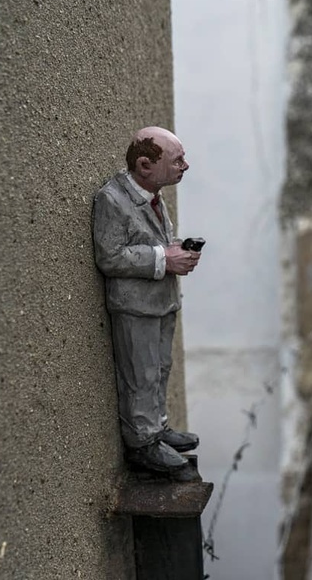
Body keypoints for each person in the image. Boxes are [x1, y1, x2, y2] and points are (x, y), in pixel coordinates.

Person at [93, 126, 202, 480]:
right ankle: (142, 443)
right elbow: (110, 257)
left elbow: (153, 240)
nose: (185, 165)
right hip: (136, 307)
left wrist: (177, 248)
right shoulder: (112, 200)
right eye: (177, 160)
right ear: (144, 165)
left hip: (160, 302)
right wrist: (164, 259)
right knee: (140, 375)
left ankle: (157, 428)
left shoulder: (154, 194)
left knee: (160, 370)